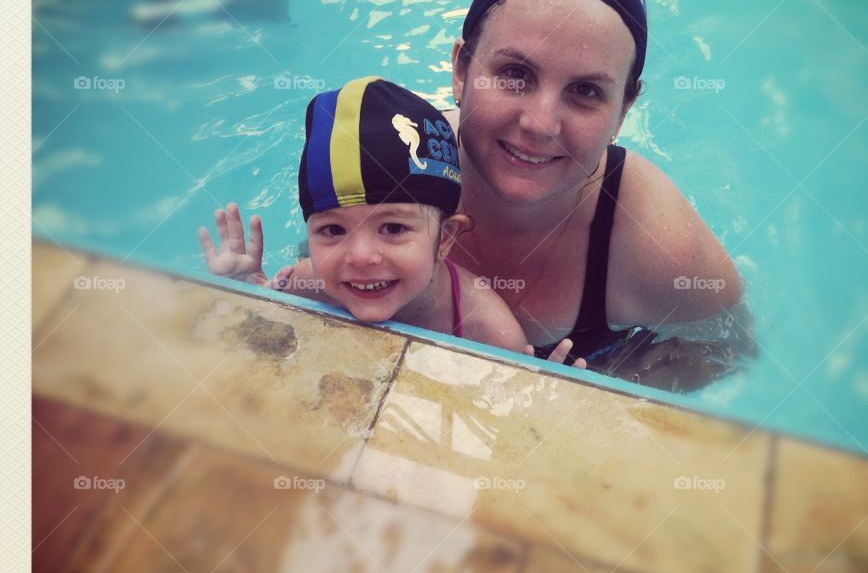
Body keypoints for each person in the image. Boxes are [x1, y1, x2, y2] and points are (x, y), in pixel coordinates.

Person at [204, 0, 748, 383]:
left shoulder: (655, 245)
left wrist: (603, 396)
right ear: (462, 69)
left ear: (624, 110)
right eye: (515, 74)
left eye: (586, 91)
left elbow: (728, 353)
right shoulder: (385, 164)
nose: (539, 124)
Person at [199, 76, 586, 366]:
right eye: (332, 230)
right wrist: (247, 294)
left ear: (445, 239)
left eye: (394, 228)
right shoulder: (309, 284)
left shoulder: (487, 330)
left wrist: (540, 398)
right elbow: (257, 350)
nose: (361, 256)